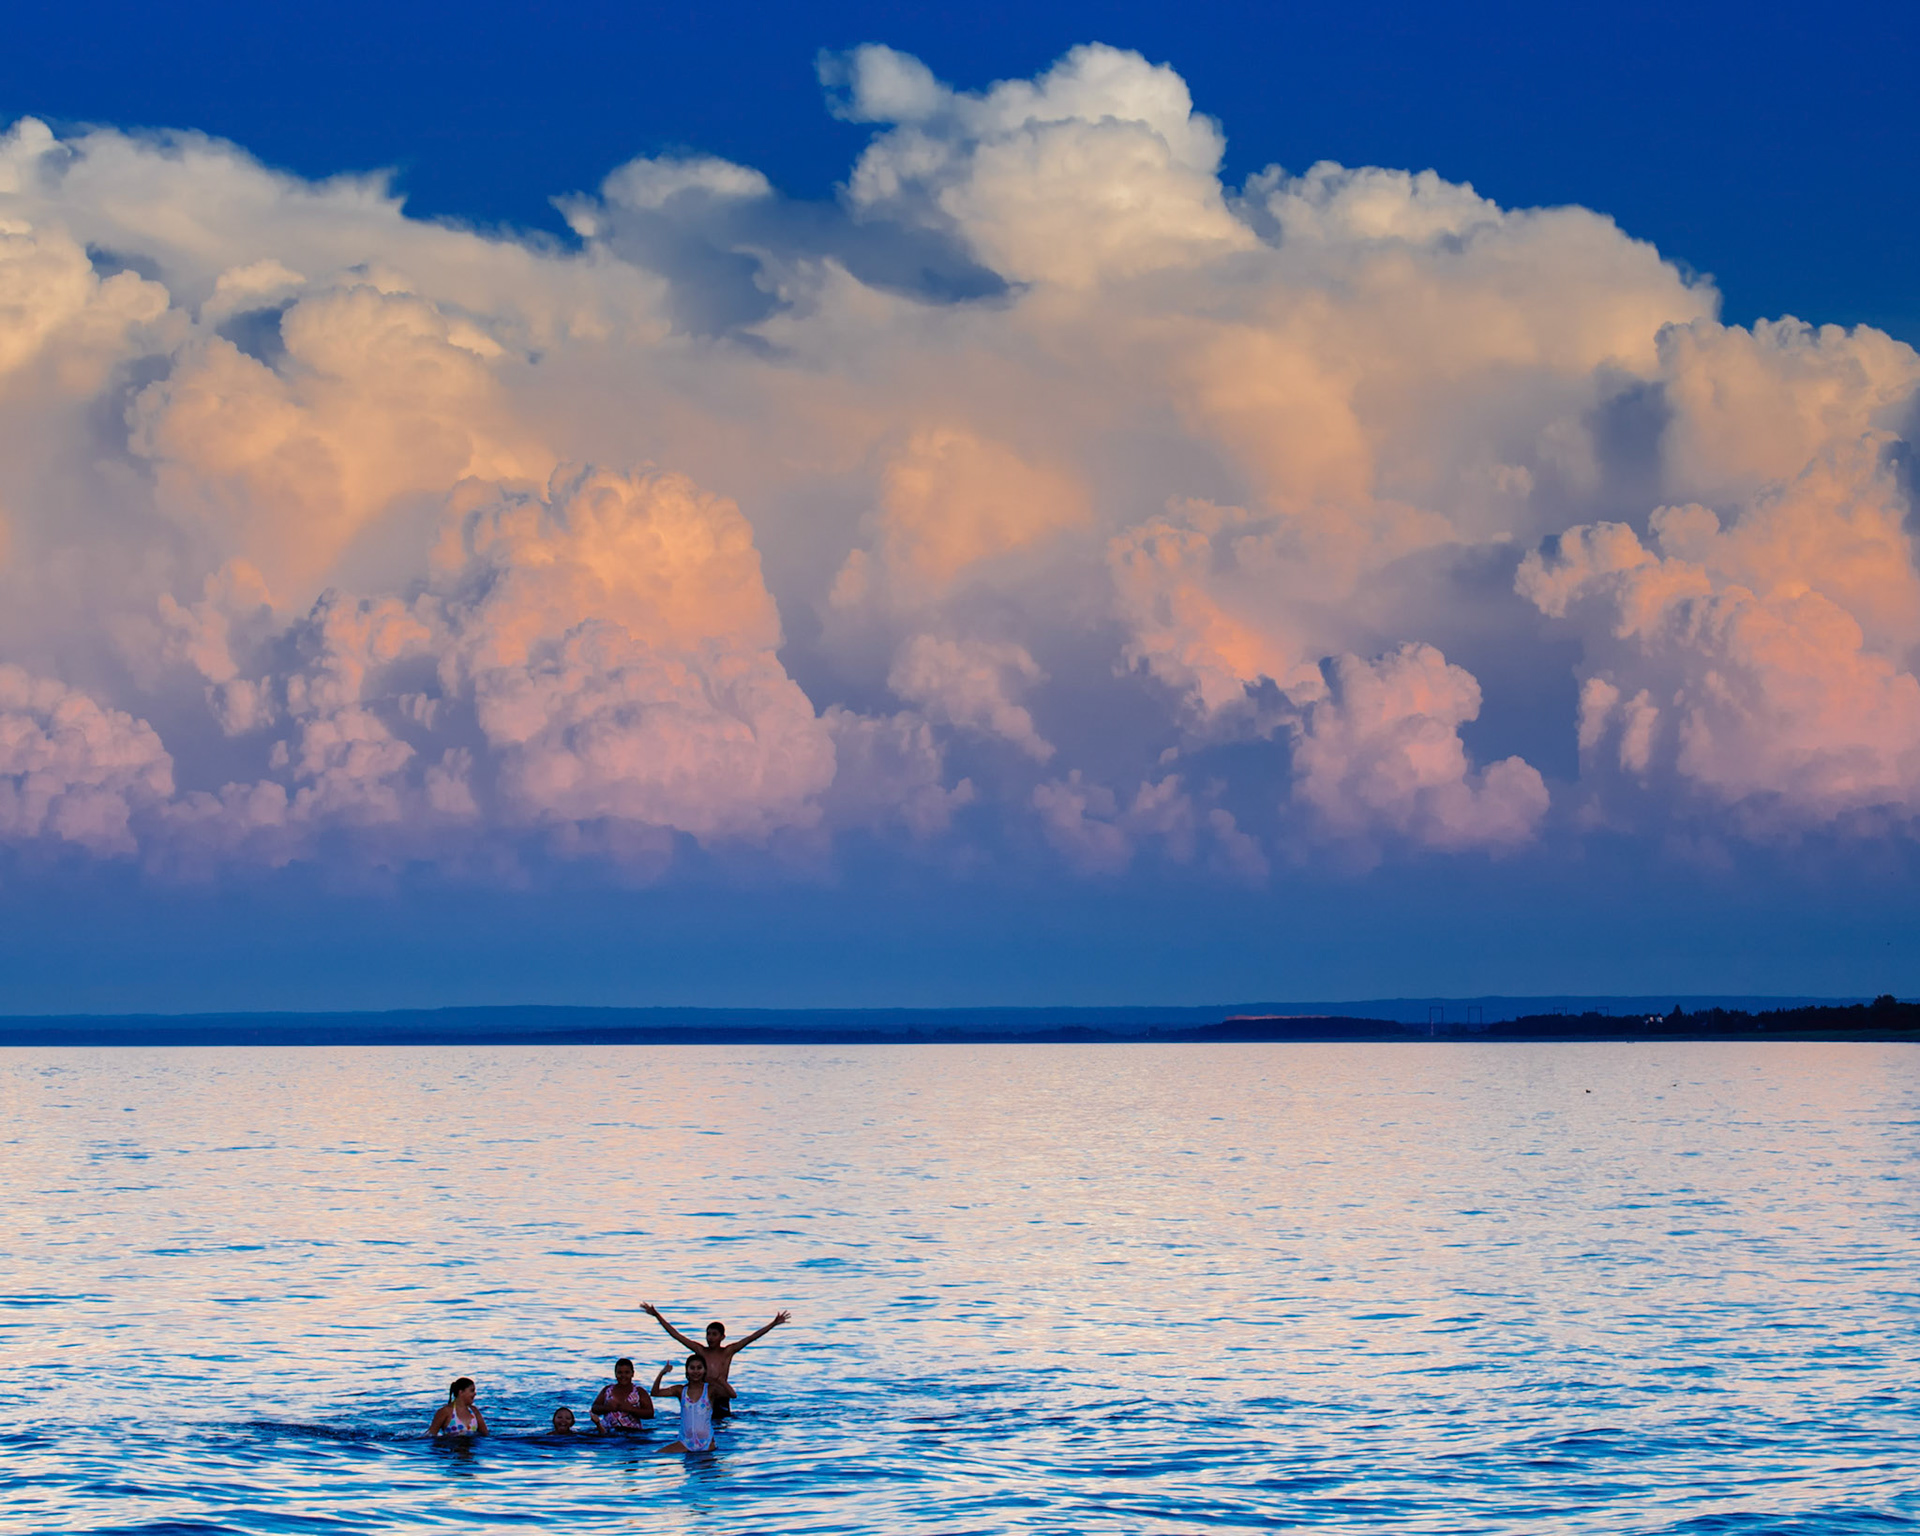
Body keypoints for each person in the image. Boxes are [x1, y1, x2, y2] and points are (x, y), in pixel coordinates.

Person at [638, 1303, 790, 1412]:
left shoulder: (728, 1351)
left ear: (722, 1337)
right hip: (703, 1396)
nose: (710, 1338)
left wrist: (773, 1324)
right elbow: (676, 1335)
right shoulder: (700, 1350)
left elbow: (751, 1338)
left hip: (722, 1396)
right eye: (708, 1334)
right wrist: (657, 1315)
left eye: (714, 1335)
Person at [650, 1355, 716, 1454]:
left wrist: (719, 1380)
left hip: (707, 1442)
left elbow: (732, 1394)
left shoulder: (710, 1389)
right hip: (685, 1442)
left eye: (699, 1368)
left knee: (704, 1470)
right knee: (656, 1454)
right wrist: (662, 1373)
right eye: (692, 1368)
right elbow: (655, 1392)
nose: (695, 1371)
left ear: (705, 1370)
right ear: (687, 1371)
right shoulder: (680, 1390)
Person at [590, 1357, 654, 1432]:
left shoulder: (639, 1391)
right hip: (608, 1432)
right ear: (615, 1374)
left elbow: (650, 1413)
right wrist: (607, 1408)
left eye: (627, 1372)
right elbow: (594, 1408)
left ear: (632, 1374)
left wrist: (631, 1409)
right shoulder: (607, 1390)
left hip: (633, 1432)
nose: (623, 1375)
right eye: (620, 1372)